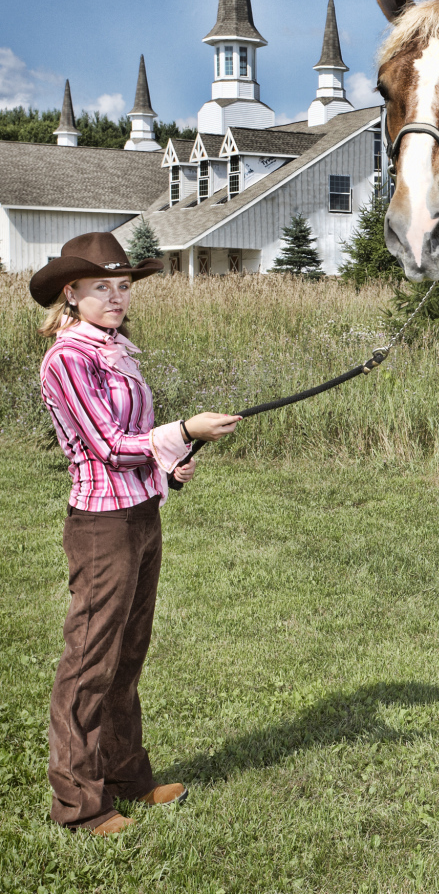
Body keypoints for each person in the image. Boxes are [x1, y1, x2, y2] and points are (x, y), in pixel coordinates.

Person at [29, 233, 241, 836]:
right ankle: (78, 805)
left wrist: (170, 465)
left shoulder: (116, 348)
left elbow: (138, 445)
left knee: (127, 657)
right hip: (102, 525)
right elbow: (105, 447)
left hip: (142, 513)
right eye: (103, 287)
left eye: (123, 286)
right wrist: (182, 428)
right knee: (89, 663)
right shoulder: (68, 358)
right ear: (71, 293)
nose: (117, 298)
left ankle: (127, 777)